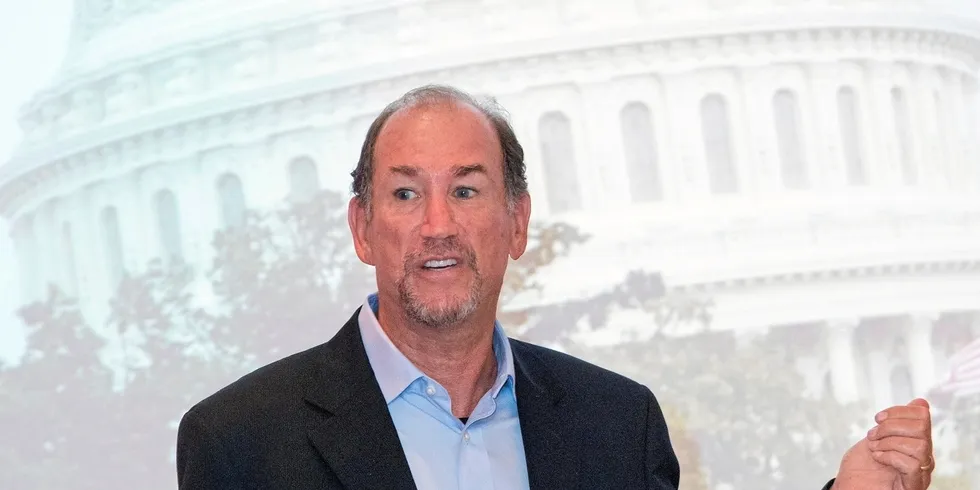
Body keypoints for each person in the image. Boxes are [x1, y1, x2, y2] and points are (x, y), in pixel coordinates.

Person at [176, 85, 935, 490]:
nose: (438, 224)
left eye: (466, 191)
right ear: (362, 228)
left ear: (516, 223)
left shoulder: (618, 425)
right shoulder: (241, 443)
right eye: (405, 195)